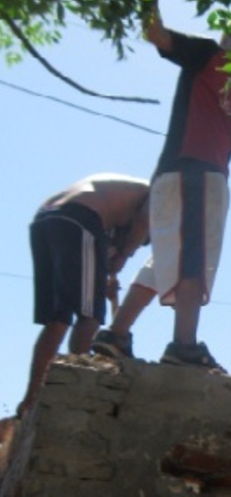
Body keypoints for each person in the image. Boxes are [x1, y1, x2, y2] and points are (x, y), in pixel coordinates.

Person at [134, 2, 231, 369]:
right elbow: (157, 35)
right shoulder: (208, 55)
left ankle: (116, 334)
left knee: (169, 258)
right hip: (190, 171)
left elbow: (226, 150)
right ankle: (184, 346)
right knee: (193, 261)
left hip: (207, 173)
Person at [18, 173, 149, 417]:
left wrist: (103, 283)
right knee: (90, 316)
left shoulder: (118, 197)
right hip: (79, 217)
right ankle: (76, 389)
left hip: (47, 217)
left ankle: (31, 400)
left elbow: (95, 261)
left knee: (58, 320)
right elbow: (142, 224)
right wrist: (124, 254)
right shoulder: (156, 193)